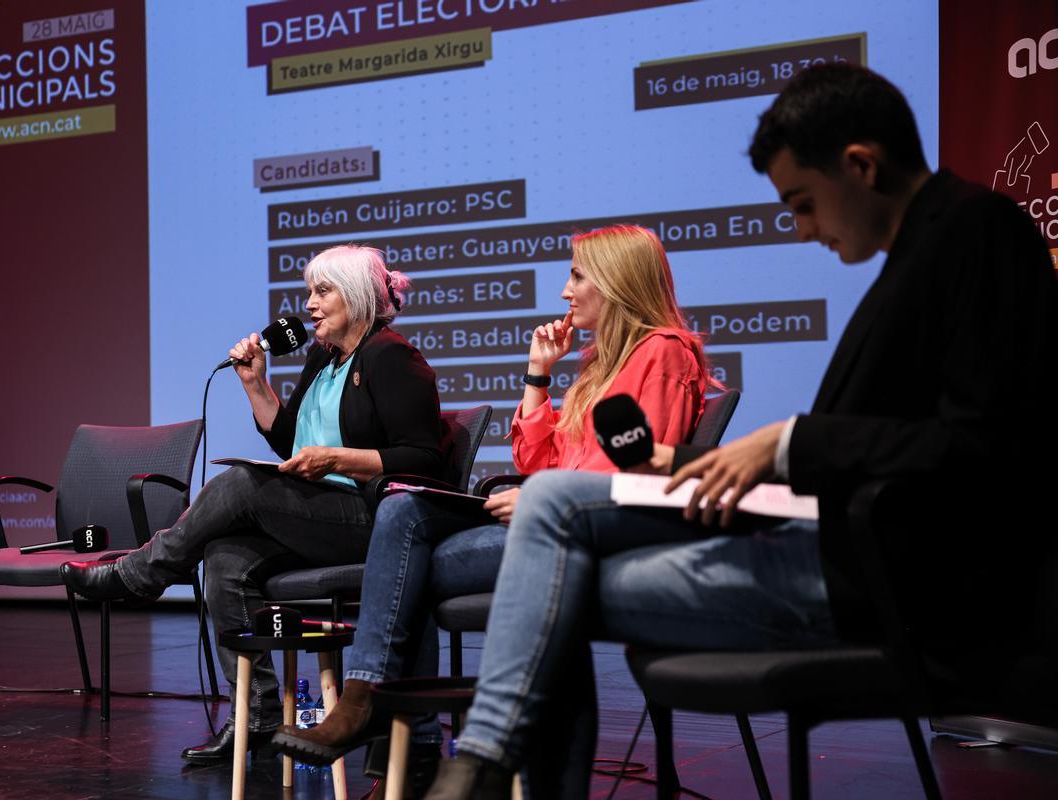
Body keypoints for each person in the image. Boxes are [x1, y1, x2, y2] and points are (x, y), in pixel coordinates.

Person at [422, 63, 1057, 799]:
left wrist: (785, 445)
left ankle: (481, 762)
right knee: (557, 561)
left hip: (892, 580)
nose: (801, 228)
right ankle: (488, 765)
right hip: (843, 549)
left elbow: (987, 447)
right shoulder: (928, 246)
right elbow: (890, 439)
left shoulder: (976, 233)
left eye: (802, 203)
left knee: (555, 532)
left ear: (861, 165)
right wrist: (701, 461)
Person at [272, 224, 715, 794]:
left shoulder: (662, 352)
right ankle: (389, 720)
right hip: (554, 518)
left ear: (616, 281)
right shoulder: (603, 362)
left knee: (404, 555)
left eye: (577, 276)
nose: (565, 291)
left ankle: (390, 717)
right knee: (404, 514)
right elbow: (539, 461)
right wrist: (538, 376)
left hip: (591, 530)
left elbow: (639, 471)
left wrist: (539, 497)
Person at [61, 244, 445, 764]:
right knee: (225, 555)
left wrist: (339, 459)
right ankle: (259, 714)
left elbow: (422, 458)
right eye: (309, 291)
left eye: (322, 291)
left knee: (241, 484)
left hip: (373, 520)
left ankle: (141, 572)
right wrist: (255, 384)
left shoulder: (391, 356)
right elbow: (293, 446)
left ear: (356, 297)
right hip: (320, 515)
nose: (308, 303)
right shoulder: (322, 358)